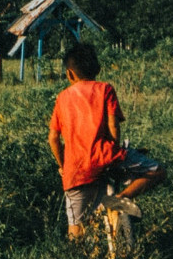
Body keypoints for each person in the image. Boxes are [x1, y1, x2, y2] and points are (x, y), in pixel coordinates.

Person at [48, 42, 166, 240]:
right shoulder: (105, 89)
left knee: (76, 232)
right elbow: (114, 126)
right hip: (107, 157)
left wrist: (63, 165)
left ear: (69, 74)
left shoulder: (62, 98)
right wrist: (114, 148)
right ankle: (121, 198)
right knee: (157, 172)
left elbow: (53, 138)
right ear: (98, 69)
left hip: (75, 170)